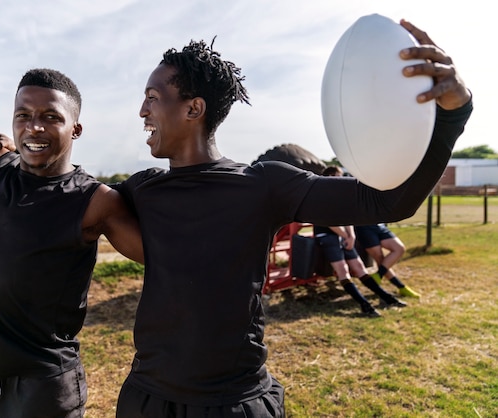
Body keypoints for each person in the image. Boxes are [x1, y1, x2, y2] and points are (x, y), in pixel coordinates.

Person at [111, 19, 472, 417]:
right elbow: (71, 198)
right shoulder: (141, 189)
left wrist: (454, 114)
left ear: (194, 108)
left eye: (152, 97)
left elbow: (387, 203)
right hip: (147, 400)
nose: (142, 110)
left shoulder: (263, 185)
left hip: (233, 403)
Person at [0, 58, 143, 417]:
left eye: (51, 117)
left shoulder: (95, 201)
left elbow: (164, 257)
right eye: (23, 115)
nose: (34, 127)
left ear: (76, 129)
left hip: (41, 387)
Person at [314, 166, 406, 318]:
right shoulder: (323, 195)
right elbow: (329, 221)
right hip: (327, 236)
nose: (342, 179)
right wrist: (345, 235)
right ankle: (365, 305)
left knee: (359, 268)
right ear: (330, 176)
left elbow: (348, 218)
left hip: (342, 236)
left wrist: (351, 236)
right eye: (339, 176)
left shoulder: (342, 196)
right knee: (343, 270)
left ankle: (387, 298)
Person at [355, 223, 421, 298]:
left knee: (399, 248)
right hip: (364, 227)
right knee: (380, 259)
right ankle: (401, 287)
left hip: (380, 225)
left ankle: (378, 275)